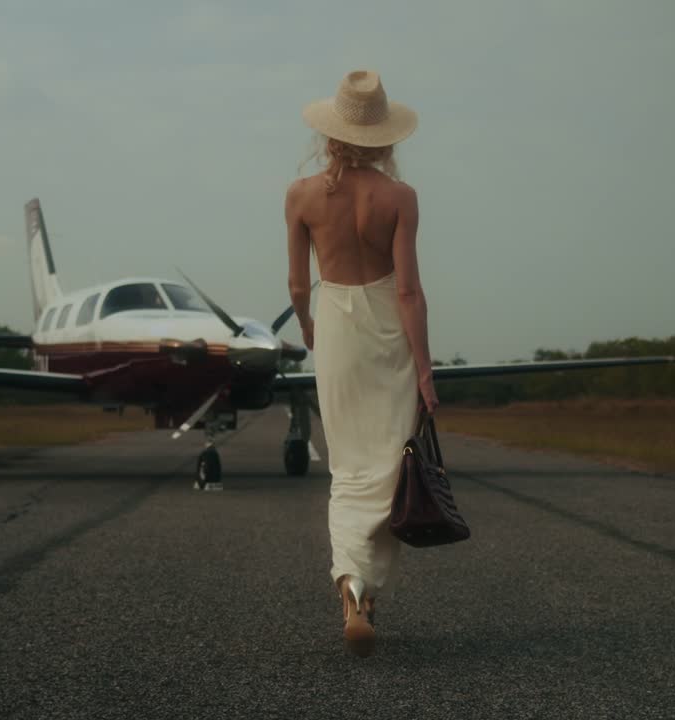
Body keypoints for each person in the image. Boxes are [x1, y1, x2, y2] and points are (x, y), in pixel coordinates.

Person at [285, 70, 438, 657]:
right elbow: (408, 292)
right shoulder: (400, 199)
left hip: (338, 328)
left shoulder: (300, 195)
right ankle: (365, 588)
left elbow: (298, 284)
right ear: (385, 139)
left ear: (331, 133)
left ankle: (351, 586)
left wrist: (307, 327)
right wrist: (424, 370)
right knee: (390, 464)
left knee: (348, 465)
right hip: (388, 332)